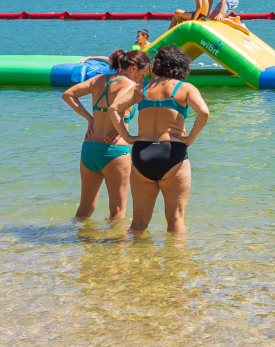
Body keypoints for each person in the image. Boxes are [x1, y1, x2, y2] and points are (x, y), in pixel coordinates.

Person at [111, 45, 210, 234]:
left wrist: (126, 136)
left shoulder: (142, 88)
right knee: (175, 218)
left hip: (142, 153)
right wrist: (190, 138)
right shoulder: (185, 88)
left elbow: (113, 109)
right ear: (181, 65)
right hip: (172, 153)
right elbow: (204, 112)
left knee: (139, 222)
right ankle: (174, 262)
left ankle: (133, 261)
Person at [61, 49, 149, 221]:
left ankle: (78, 242)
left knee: (84, 209)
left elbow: (68, 95)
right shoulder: (131, 86)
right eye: (142, 74)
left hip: (89, 148)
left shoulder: (99, 79)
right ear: (133, 69)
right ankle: (114, 248)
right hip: (113, 151)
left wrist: (89, 119)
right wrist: (122, 130)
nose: (142, 79)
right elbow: (115, 109)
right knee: (117, 211)